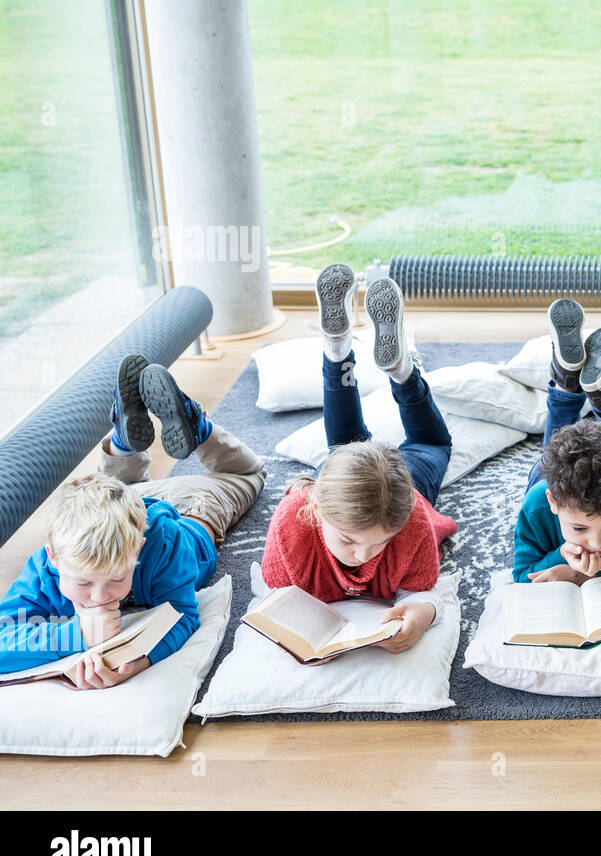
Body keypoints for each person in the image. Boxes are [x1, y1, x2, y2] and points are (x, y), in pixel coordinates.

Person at [0, 355, 266, 687]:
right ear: (53, 556)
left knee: (250, 473)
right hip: (129, 500)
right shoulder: (44, 569)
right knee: (117, 493)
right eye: (83, 583)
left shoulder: (162, 544)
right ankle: (124, 442)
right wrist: (73, 635)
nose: (100, 598)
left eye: (116, 579)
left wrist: (139, 663)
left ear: (138, 550)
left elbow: (184, 616)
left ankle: (198, 428)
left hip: (194, 506)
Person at [261, 266, 457, 652]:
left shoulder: (412, 520)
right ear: (315, 508)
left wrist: (423, 613)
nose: (364, 555)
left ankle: (342, 353)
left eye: (380, 542)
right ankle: (399, 372)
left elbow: (426, 591)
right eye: (349, 541)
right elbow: (273, 602)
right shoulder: (291, 527)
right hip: (350, 488)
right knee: (422, 443)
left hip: (399, 487)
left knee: (382, 446)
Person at [513, 298, 601, 585]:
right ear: (553, 503)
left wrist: (574, 573)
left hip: (598, 480)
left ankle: (567, 382)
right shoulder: (536, 507)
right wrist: (560, 556)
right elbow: (521, 574)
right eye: (579, 527)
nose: (597, 542)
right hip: (549, 480)